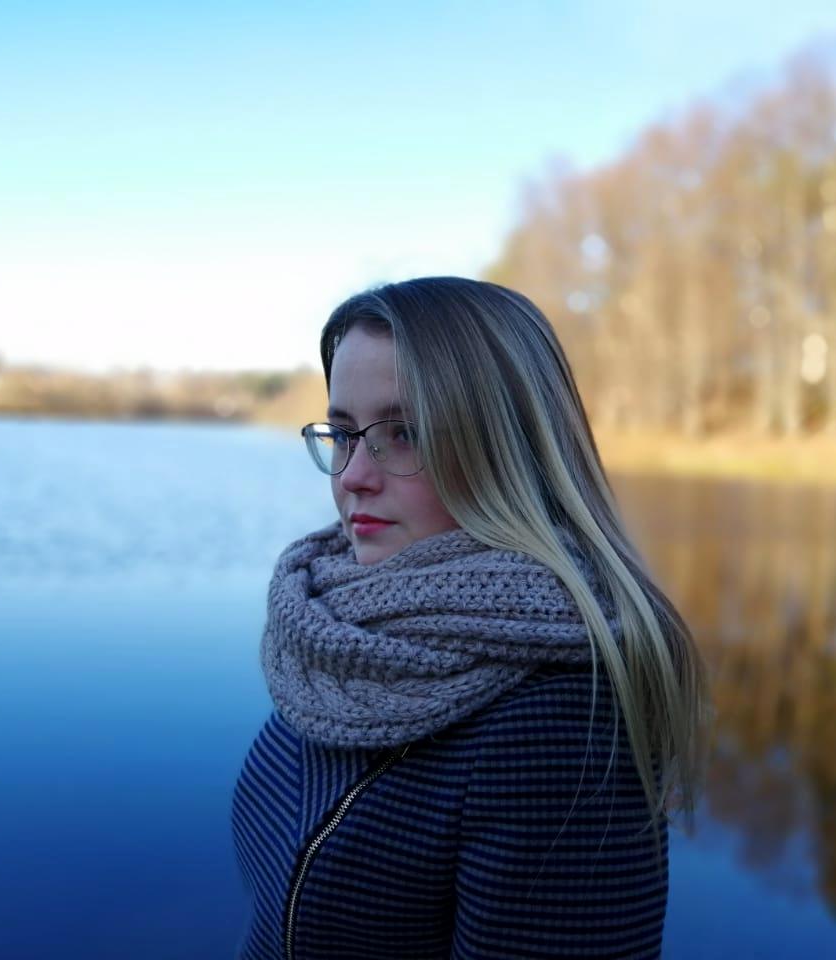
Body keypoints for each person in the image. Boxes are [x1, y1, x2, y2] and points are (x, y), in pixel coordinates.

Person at [232, 277, 708, 959]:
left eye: (404, 433)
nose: (353, 475)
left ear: (506, 451)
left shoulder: (556, 722)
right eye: (342, 433)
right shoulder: (338, 632)